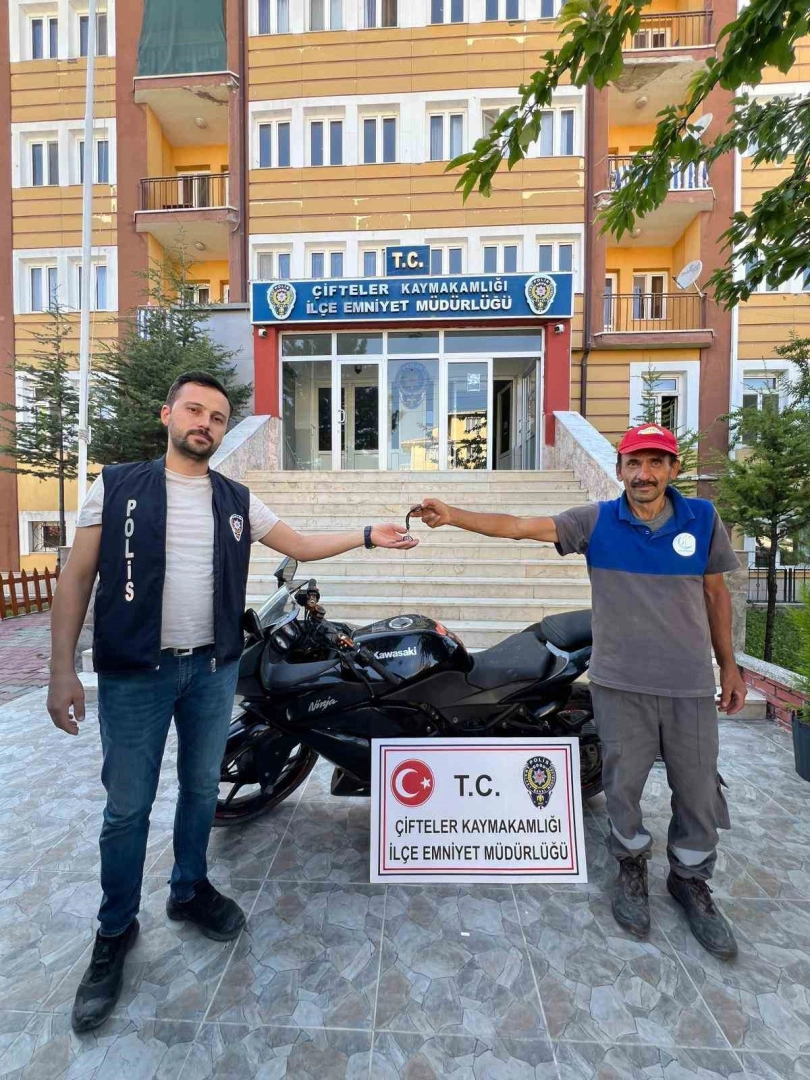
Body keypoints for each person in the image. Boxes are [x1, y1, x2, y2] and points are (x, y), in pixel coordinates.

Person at [47, 371, 418, 1033]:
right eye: (195, 410)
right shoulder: (118, 486)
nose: (206, 424)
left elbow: (299, 545)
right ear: (168, 414)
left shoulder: (235, 499)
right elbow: (76, 577)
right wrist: (60, 669)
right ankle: (114, 930)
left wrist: (368, 533)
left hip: (212, 670)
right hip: (134, 674)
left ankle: (189, 889)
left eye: (217, 417)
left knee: (200, 790)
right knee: (127, 808)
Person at [411, 423, 746, 959]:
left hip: (687, 684)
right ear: (619, 469)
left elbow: (716, 594)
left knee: (699, 789)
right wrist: (453, 514)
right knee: (622, 786)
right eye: (634, 463)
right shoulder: (596, 521)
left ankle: (689, 879)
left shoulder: (702, 519)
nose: (643, 474)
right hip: (619, 682)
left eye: (655, 462)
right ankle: (631, 867)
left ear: (673, 469)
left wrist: (729, 666)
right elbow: (519, 526)